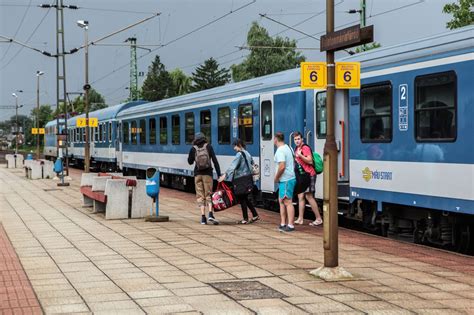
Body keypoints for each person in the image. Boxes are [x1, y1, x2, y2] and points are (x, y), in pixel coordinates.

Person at [218, 139, 259, 224]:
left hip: (240, 179)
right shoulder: (247, 153)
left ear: (239, 145)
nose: (234, 148)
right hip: (248, 178)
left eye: (235, 146)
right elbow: (253, 164)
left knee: (242, 198)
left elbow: (233, 166)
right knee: (246, 198)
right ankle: (255, 215)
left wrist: (225, 175)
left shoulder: (239, 154)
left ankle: (245, 219)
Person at [187, 132, 222, 225]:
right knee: (208, 194)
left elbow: (189, 162)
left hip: (197, 174)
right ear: (204, 138)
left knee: (200, 196)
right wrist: (219, 174)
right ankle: (210, 214)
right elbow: (215, 161)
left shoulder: (193, 149)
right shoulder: (208, 147)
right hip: (208, 174)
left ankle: (203, 218)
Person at [293, 132, 323, 226]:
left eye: (298, 139)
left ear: (302, 139)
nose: (297, 141)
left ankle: (318, 218)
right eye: (295, 139)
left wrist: (300, 155)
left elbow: (309, 160)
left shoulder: (305, 148)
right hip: (302, 175)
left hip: (309, 174)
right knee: (300, 196)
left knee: (309, 196)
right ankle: (300, 218)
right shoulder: (297, 149)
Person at [273, 132, 297, 232]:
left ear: (275, 139)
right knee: (281, 200)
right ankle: (283, 223)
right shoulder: (288, 147)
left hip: (286, 179)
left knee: (287, 201)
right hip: (288, 178)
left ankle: (290, 225)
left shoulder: (280, 151)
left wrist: (276, 177)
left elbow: (282, 166)